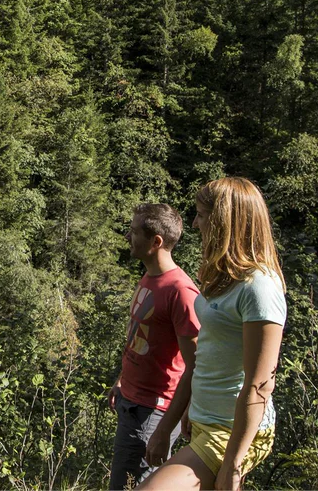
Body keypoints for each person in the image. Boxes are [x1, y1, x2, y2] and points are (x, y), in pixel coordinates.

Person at [139, 177, 287, 491]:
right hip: (206, 420)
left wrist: (233, 462)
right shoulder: (224, 277)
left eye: (202, 215)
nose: (195, 223)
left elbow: (259, 384)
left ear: (226, 222)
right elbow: (205, 355)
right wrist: (188, 411)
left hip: (232, 430)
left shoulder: (259, 287)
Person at [108, 203, 200, 490]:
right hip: (132, 403)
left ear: (156, 241)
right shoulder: (150, 277)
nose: (128, 236)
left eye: (134, 232)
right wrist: (122, 380)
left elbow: (196, 365)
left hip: (152, 413)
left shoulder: (180, 291)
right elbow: (141, 337)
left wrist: (163, 430)